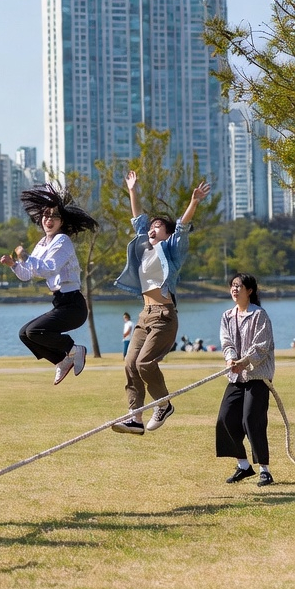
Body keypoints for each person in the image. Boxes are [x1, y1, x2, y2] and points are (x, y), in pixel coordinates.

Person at [112, 171, 211, 435]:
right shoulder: (145, 249)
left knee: (145, 363)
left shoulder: (172, 251)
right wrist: (132, 190)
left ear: (166, 235)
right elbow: (138, 221)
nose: (151, 228)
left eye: (157, 226)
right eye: (151, 226)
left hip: (164, 316)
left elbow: (182, 227)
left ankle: (163, 404)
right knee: (130, 363)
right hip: (145, 315)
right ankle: (134, 417)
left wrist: (194, 202)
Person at [0, 184, 97, 385]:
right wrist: (14, 265)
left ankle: (74, 349)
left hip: (73, 305)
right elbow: (29, 274)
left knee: (34, 331)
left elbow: (48, 269)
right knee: (24, 334)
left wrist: (25, 256)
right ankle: (61, 360)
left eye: (54, 216)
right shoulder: (43, 243)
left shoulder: (62, 240)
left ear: (62, 221)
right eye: (45, 215)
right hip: (60, 302)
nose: (48, 220)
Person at [217, 273, 275, 487]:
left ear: (249, 290)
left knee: (251, 420)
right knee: (225, 419)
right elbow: (226, 341)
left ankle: (265, 470)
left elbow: (262, 345)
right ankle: (243, 465)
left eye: (239, 286)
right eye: (232, 286)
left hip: (257, 376)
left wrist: (244, 361)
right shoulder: (227, 315)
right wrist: (231, 358)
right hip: (236, 376)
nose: (234, 289)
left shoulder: (260, 315)